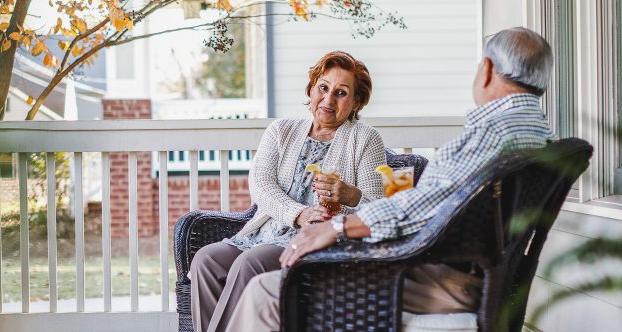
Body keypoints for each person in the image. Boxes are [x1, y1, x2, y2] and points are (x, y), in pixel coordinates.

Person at [225, 27, 556, 332]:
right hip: (480, 278)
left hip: (430, 278)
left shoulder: (486, 138)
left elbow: (413, 211)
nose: (328, 99)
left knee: (265, 289)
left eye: (340, 92)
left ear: (485, 70)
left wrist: (336, 227)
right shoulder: (540, 138)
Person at [189, 51, 387, 332]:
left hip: (317, 242)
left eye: (341, 93)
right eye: (323, 87)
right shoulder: (281, 130)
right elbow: (261, 185)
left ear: (356, 102)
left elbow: (379, 209)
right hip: (265, 232)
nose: (329, 100)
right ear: (311, 88)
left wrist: (350, 195)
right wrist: (299, 213)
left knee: (251, 262)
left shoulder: (365, 139)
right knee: (207, 260)